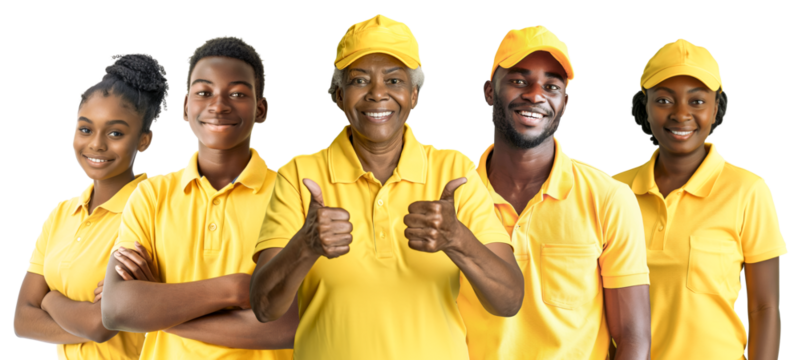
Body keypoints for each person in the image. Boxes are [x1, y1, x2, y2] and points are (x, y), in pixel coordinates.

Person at [249, 12, 524, 360]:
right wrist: (306, 245)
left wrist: (458, 239)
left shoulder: (454, 170)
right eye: (360, 80)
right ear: (338, 94)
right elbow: (263, 307)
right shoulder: (299, 174)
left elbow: (509, 300)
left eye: (393, 81)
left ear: (414, 96)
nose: (377, 94)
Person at [456, 24, 652, 360]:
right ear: (489, 91)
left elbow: (633, 339)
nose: (535, 94)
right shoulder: (453, 196)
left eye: (551, 86)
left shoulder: (608, 198)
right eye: (519, 80)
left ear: (564, 102)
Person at [100, 34, 296, 360]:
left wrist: (160, 308)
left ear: (261, 109)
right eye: (204, 92)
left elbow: (285, 327)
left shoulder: (293, 197)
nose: (219, 105)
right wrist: (233, 288)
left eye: (237, 93)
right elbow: (117, 309)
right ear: (186, 107)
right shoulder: (151, 194)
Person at [612, 37, 786, 360]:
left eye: (696, 101)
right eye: (664, 100)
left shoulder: (748, 190)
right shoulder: (614, 191)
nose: (681, 114)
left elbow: (764, 307)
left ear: (717, 107)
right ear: (643, 107)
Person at [13, 52, 168, 359]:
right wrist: (86, 321)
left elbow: (100, 324)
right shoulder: (61, 213)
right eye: (85, 129)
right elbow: (22, 320)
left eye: (115, 133)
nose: (96, 144)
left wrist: (50, 300)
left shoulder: (151, 207)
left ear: (143, 141)